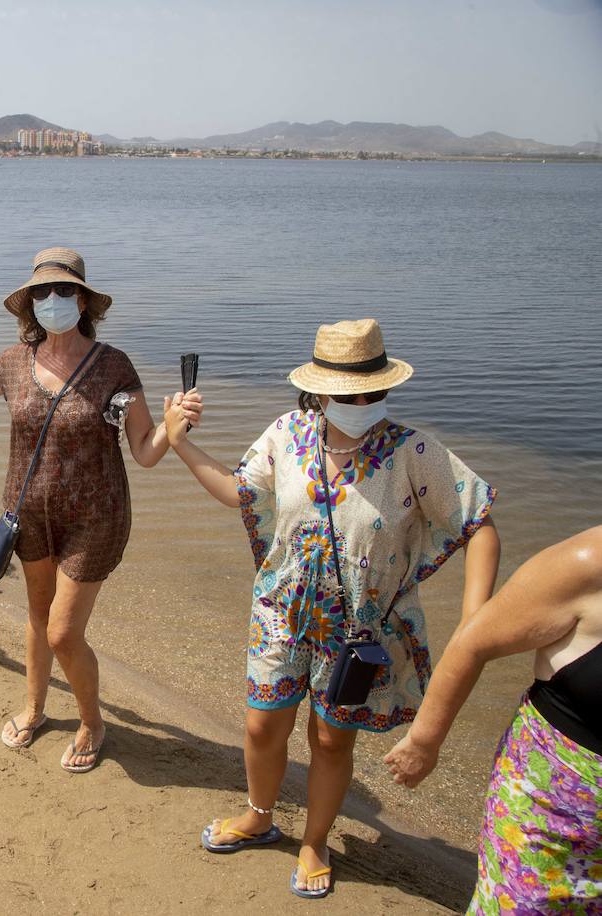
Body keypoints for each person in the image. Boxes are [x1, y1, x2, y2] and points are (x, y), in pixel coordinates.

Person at [163, 318, 500, 899]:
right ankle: (259, 816)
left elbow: (479, 522)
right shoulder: (287, 434)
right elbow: (241, 492)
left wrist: (476, 623)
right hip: (280, 615)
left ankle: (315, 841)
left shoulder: (413, 452)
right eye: (347, 393)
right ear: (319, 389)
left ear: (385, 388)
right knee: (261, 723)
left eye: (370, 392)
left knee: (330, 739)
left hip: (360, 634)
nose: (359, 403)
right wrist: (180, 442)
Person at [0, 247, 191, 772]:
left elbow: (144, 451)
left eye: (65, 290)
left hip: (95, 517)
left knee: (62, 631)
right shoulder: (13, 362)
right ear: (30, 304)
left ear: (84, 301)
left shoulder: (113, 365)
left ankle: (93, 721)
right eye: (43, 292)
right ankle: (34, 706)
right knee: (36, 615)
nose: (54, 300)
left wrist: (173, 424)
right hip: (28, 511)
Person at [384, 527, 602, 913]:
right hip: (555, 816)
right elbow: (474, 641)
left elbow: (476, 516)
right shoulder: (587, 563)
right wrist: (423, 742)